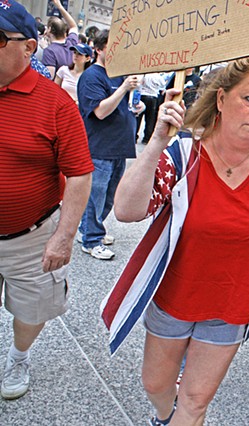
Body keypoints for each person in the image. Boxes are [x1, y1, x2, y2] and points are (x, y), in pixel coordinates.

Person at [111, 55, 249, 425]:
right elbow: (126, 210)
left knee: (196, 400)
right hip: (174, 298)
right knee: (155, 385)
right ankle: (166, 417)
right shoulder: (184, 154)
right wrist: (156, 143)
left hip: (232, 305)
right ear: (220, 99)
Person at [0, 0, 93, 400]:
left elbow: (80, 173)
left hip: (32, 236)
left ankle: (19, 356)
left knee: (31, 310)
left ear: (29, 47)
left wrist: (64, 237)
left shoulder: (55, 104)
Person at [76, 29, 144, 260]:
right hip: (100, 148)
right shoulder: (92, 76)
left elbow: (119, 107)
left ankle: (90, 230)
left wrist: (135, 107)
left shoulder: (117, 75)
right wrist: (124, 88)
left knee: (107, 196)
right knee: (96, 196)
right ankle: (91, 239)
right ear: (99, 49)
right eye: (112, 48)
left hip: (117, 147)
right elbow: (101, 111)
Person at [42, 0, 78, 78]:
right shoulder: (72, 42)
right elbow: (73, 26)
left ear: (49, 29)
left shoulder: (49, 51)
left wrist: (45, 49)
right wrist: (60, 7)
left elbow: (49, 77)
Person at [136, 72, 167, 144]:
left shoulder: (145, 75)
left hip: (142, 96)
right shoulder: (158, 77)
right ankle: (147, 138)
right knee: (150, 119)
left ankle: (134, 136)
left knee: (138, 117)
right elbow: (163, 85)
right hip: (153, 97)